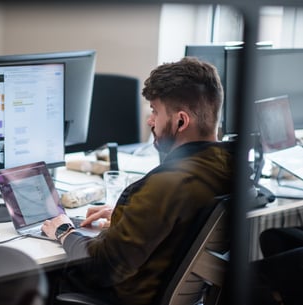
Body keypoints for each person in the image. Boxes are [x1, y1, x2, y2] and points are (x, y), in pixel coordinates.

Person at [42, 57, 237, 305]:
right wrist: (129, 216)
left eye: (155, 111)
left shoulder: (167, 184)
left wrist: (64, 230)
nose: (150, 120)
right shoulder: (227, 166)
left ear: (181, 121)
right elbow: (178, 221)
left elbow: (103, 266)